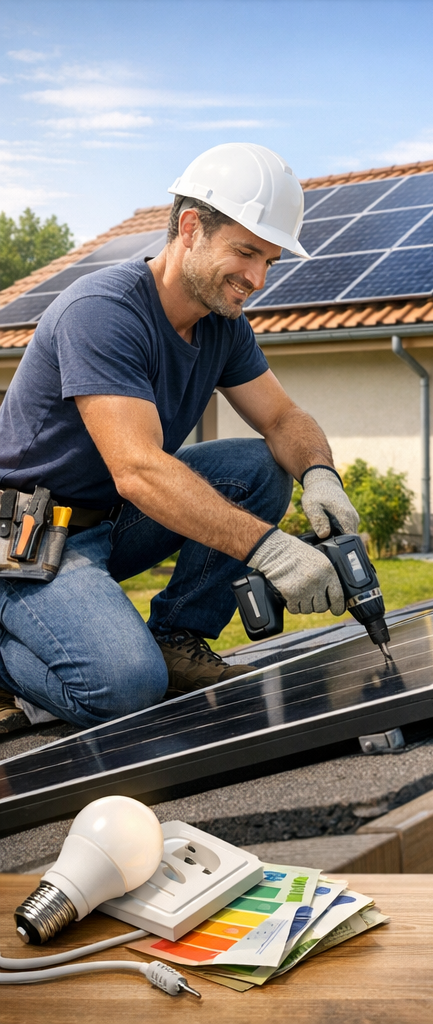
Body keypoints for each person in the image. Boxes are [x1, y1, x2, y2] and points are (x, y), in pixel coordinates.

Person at [0, 143, 361, 735]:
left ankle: (176, 637)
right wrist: (269, 549)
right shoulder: (103, 312)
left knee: (261, 466)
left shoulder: (223, 325)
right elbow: (138, 468)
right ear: (191, 228)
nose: (258, 278)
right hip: (21, 538)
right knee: (126, 688)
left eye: (270, 259)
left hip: (105, 523)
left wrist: (320, 475)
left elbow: (281, 420)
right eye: (246, 252)